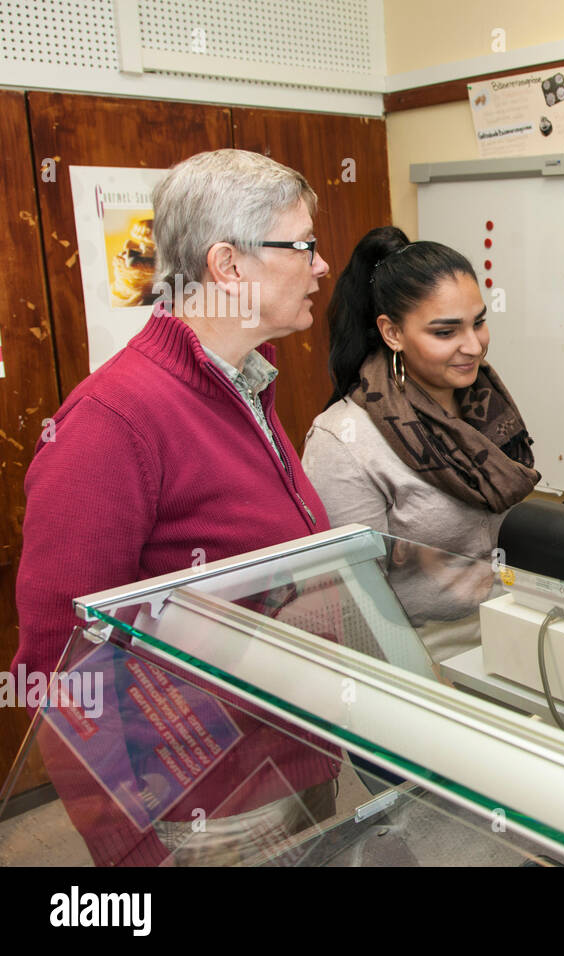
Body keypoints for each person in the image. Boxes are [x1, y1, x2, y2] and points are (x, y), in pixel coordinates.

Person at [14, 148, 338, 865]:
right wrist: (131, 855)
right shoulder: (111, 421)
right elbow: (60, 668)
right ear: (229, 267)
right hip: (213, 807)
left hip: (292, 761)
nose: (320, 266)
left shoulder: (247, 382)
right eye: (305, 246)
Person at [302, 226, 539, 669]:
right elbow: (357, 603)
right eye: (446, 332)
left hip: (515, 632)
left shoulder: (488, 408)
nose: (474, 346)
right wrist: (422, 677)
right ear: (392, 333)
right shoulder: (345, 441)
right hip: (421, 657)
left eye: (479, 323)